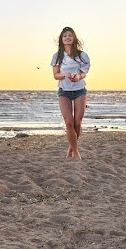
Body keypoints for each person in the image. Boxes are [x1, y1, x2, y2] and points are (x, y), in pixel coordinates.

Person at [51, 26, 90, 159]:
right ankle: (76, 152)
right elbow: (55, 75)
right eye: (65, 36)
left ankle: (71, 148)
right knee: (69, 122)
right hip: (64, 91)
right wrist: (64, 75)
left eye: (70, 35)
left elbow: (84, 73)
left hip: (79, 90)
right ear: (61, 39)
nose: (67, 37)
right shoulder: (57, 56)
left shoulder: (82, 55)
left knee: (77, 122)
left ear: (74, 39)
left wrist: (78, 76)